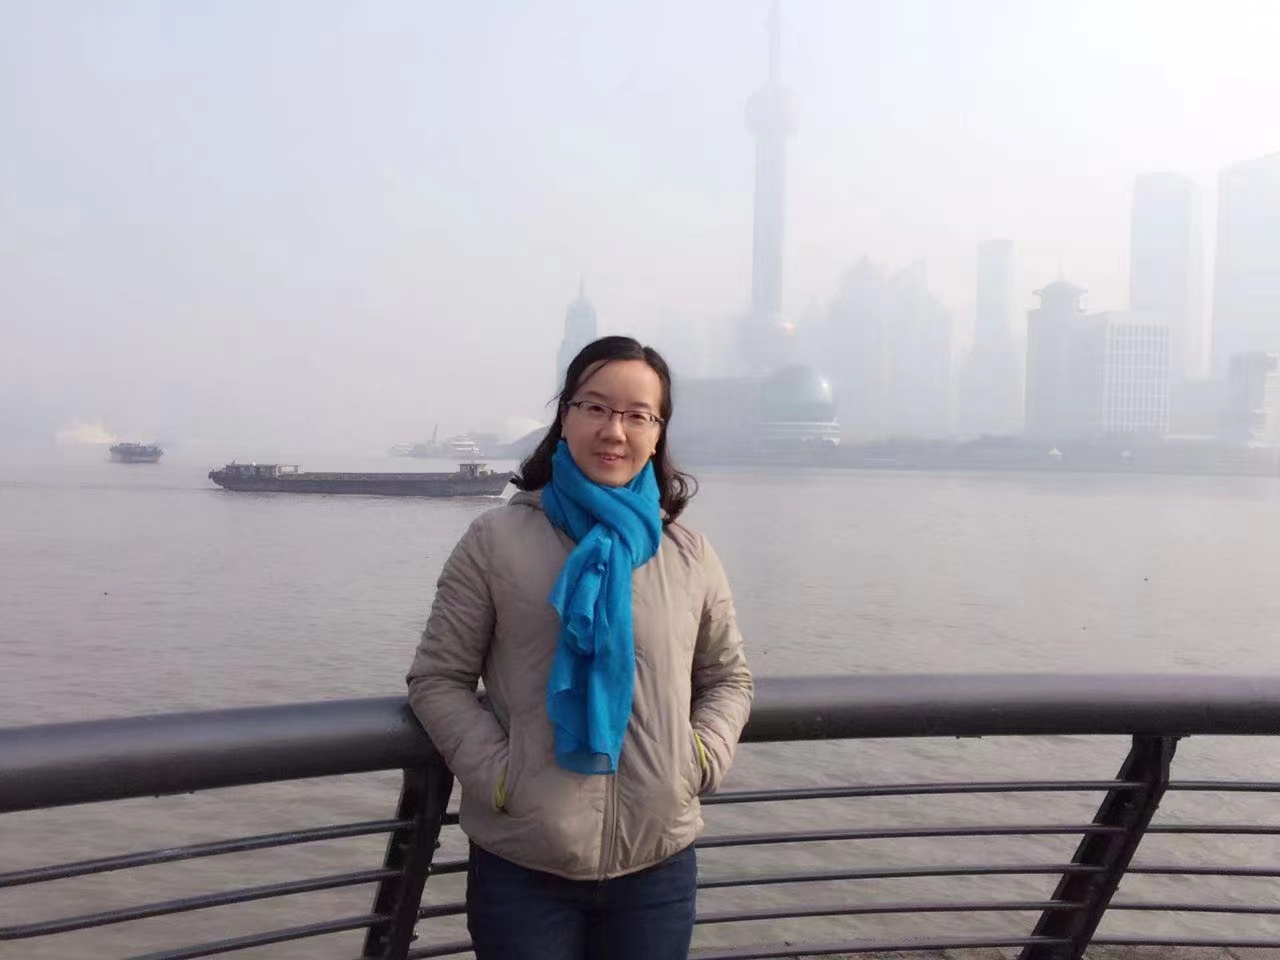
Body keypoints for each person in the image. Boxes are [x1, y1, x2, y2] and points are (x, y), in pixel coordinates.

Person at [407, 335, 753, 960]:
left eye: (638, 415)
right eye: (595, 407)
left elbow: (728, 678)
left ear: (658, 434)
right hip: (524, 867)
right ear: (564, 417)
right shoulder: (495, 541)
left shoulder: (689, 554)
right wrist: (502, 778)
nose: (614, 431)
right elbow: (438, 679)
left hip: (657, 865)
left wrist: (698, 759)